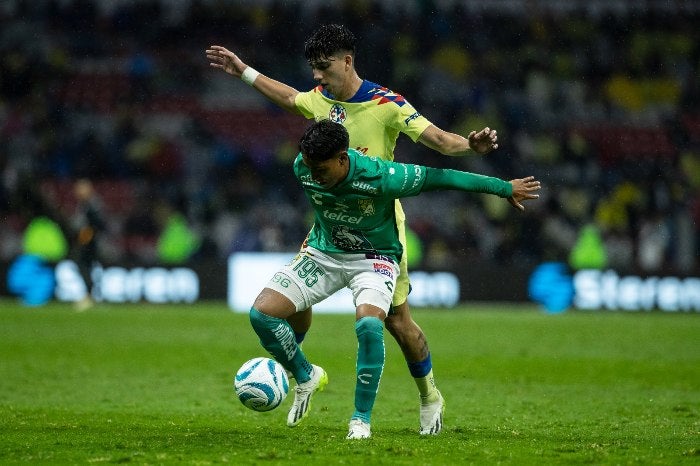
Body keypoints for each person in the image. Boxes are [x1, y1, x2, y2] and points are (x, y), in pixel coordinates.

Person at [206, 24, 500, 435]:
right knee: (294, 303)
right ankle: (302, 373)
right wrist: (243, 71)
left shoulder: (387, 104)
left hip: (378, 232)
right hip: (330, 226)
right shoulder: (319, 100)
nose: (317, 77)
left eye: (324, 68)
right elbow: (289, 97)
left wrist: (472, 146)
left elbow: (438, 141)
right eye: (313, 69)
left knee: (398, 324)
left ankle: (429, 394)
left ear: (347, 61)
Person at [250, 119, 540, 439]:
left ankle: (360, 420)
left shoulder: (380, 176)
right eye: (310, 168)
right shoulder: (303, 167)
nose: (314, 177)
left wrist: (504, 187)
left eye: (322, 170)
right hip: (324, 252)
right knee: (262, 313)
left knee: (371, 325)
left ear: (343, 159)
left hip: (373, 258)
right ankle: (306, 376)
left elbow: (443, 178)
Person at [70, 179, 106, 311]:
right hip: (88, 241)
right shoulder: (86, 204)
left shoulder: (91, 205)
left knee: (84, 265)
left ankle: (89, 296)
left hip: (90, 243)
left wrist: (87, 237)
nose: (77, 192)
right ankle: (90, 295)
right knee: (87, 267)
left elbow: (98, 224)